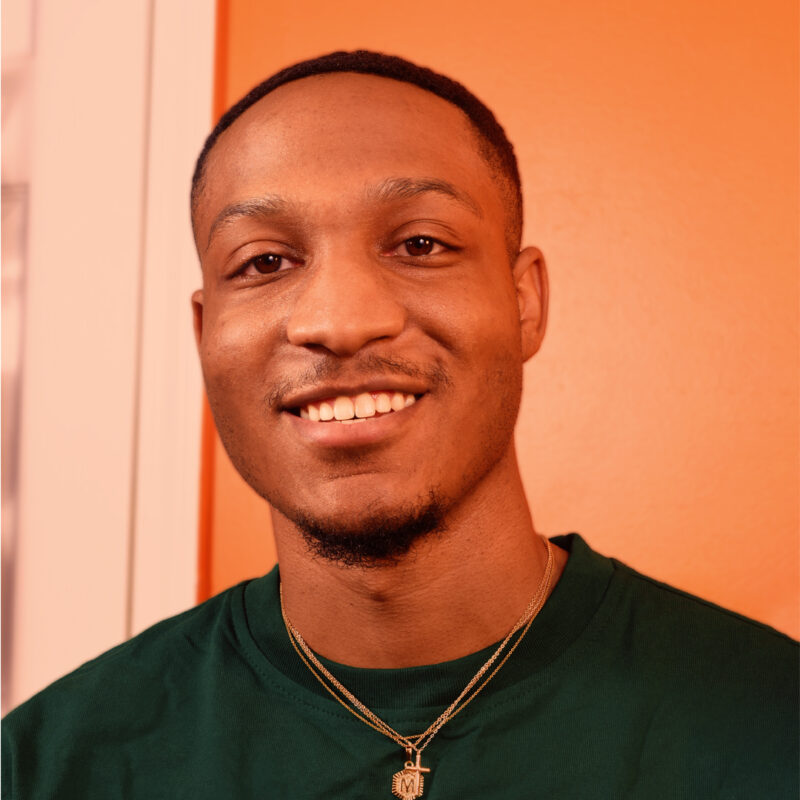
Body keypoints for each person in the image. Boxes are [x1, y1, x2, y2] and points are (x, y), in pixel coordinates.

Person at [2, 50, 797, 799]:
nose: (341, 322)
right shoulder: (47, 766)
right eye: (265, 262)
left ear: (525, 302)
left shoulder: (769, 725)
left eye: (420, 243)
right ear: (205, 331)